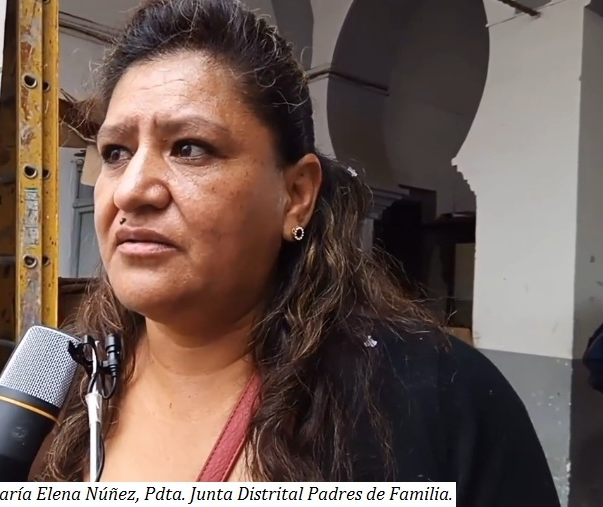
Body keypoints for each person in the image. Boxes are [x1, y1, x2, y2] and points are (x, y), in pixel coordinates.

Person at [34, 0, 561, 504]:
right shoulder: (51, 389)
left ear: (296, 195)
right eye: (116, 153)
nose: (130, 191)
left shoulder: (440, 402)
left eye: (190, 148)